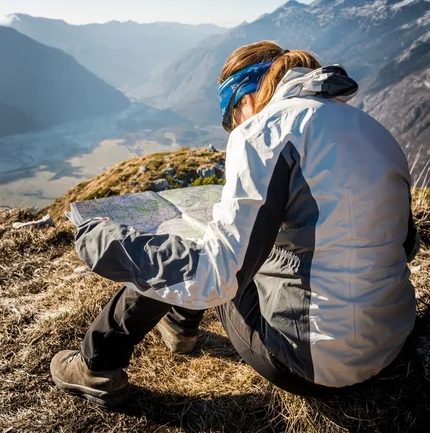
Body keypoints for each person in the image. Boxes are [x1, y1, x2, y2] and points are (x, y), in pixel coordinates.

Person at [50, 41, 419, 408]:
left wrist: (107, 241)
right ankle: (180, 326)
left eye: (230, 118)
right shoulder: (372, 129)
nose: (234, 129)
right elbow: (405, 246)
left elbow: (215, 276)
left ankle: (96, 363)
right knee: (231, 236)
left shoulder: (265, 131)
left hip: (312, 361)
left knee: (188, 247)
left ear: (245, 99)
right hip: (389, 341)